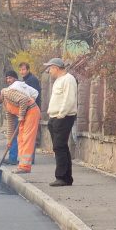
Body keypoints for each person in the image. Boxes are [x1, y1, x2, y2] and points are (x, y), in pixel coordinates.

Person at [43, 58, 78, 187]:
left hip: (63, 117)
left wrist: (60, 115)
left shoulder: (68, 79)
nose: (49, 71)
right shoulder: (59, 80)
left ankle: (61, 177)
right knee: (61, 146)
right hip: (55, 117)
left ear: (56, 68)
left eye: (50, 68)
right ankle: (67, 177)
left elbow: (69, 99)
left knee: (59, 146)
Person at [0, 87, 40, 174]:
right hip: (25, 116)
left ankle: (25, 167)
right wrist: (9, 140)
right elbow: (10, 123)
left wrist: (21, 115)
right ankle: (22, 165)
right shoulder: (5, 104)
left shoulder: (7, 93)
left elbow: (24, 99)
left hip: (31, 112)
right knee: (20, 139)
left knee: (26, 139)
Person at [4, 70, 38, 165]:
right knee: (27, 137)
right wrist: (31, 103)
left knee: (22, 137)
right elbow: (35, 93)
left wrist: (23, 111)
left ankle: (13, 158)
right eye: (7, 78)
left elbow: (23, 99)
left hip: (21, 115)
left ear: (15, 78)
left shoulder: (11, 88)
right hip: (26, 113)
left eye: (10, 77)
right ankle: (29, 159)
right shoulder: (23, 85)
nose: (8, 80)